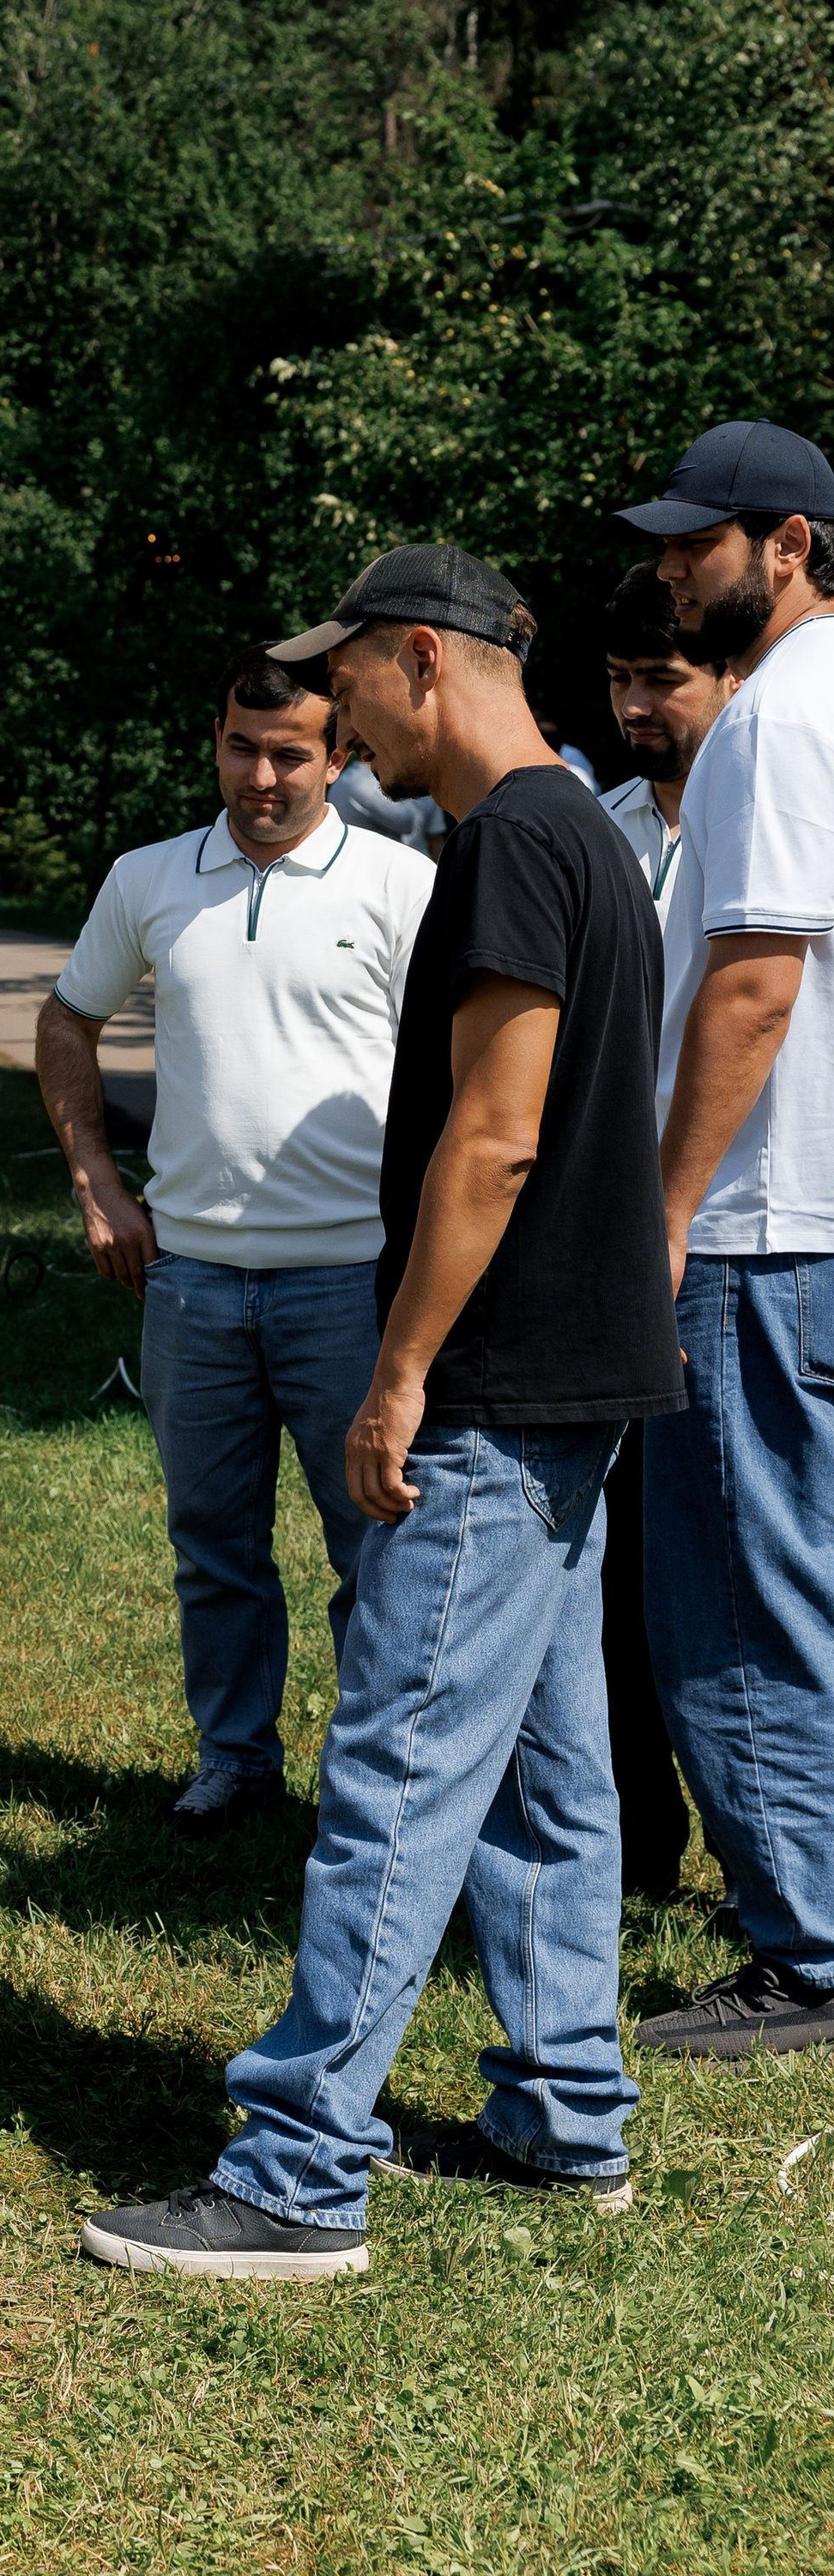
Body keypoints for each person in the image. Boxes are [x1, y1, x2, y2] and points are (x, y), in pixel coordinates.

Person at [82, 544, 680, 2281]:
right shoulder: (585, 832)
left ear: (421, 659)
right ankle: (563, 2112)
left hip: (492, 1391)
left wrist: (399, 1368)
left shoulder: (499, 846)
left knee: (396, 1765)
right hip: (579, 1383)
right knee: (547, 1773)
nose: (328, 717)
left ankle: (293, 2170)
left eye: (341, 682)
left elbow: (491, 1140)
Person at [36, 648, 434, 1838]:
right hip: (192, 1280)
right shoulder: (153, 878)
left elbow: (463, 1077)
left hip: (352, 1281)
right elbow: (66, 1019)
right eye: (240, 748)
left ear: (343, 753)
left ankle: (380, 1786)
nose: (261, 776)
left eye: (291, 753)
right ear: (213, 740)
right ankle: (236, 1760)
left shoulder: (401, 884)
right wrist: (97, 1181)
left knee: (378, 1555)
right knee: (213, 1545)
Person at [616, 421, 834, 2058]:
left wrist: (668, 1215)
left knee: (741, 1598)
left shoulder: (773, 717)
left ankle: (807, 1955)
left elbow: (754, 982)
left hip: (764, 1225)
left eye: (701, 544)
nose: (676, 571)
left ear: (788, 543)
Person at [593, 559, 735, 1897]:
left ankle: (777, 1858)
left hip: (750, 1235)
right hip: (615, 1241)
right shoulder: (598, 829)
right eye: (623, 680)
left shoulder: (774, 814)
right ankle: (637, 1845)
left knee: (747, 1559)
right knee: (621, 1564)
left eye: (665, 679)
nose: (639, 704)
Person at [329, 752, 444, 857]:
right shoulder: (360, 784)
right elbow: (407, 822)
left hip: (416, 868)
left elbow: (435, 837)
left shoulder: (345, 780)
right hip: (387, 869)